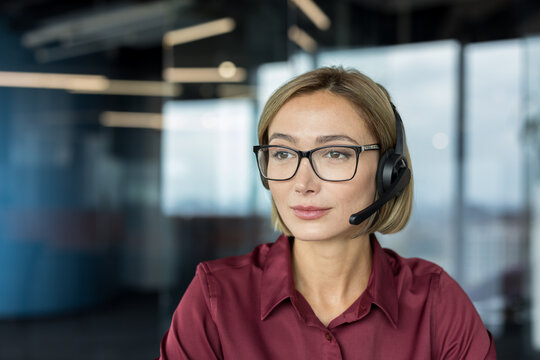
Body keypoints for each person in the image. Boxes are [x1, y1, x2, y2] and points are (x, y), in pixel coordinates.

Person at [158, 67, 497, 359]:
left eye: (334, 154)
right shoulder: (216, 297)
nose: (302, 183)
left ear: (389, 172)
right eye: (282, 153)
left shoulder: (436, 303)